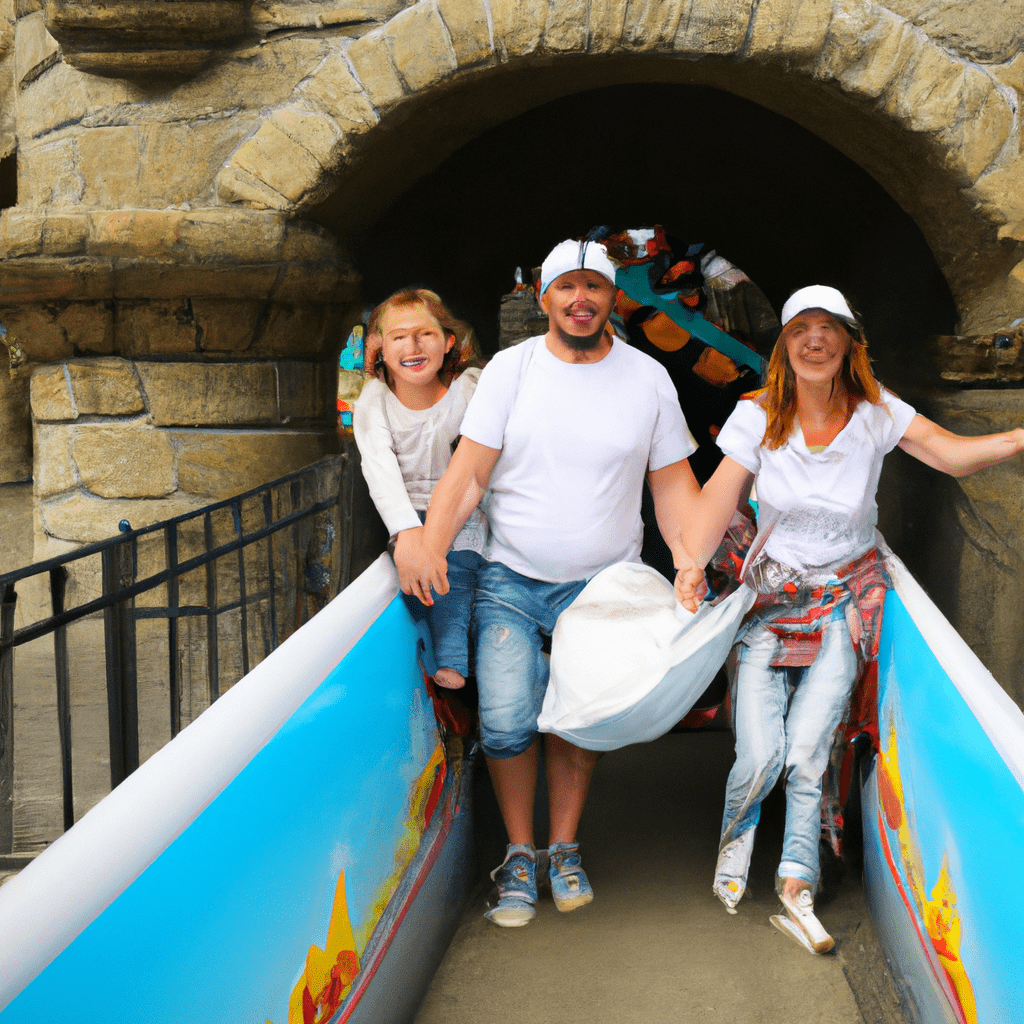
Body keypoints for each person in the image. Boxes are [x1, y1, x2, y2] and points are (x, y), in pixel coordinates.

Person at [675, 285, 1024, 954]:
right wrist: (691, 563)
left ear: (848, 342)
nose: (814, 339)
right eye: (800, 328)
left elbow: (949, 455)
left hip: (843, 600)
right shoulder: (757, 416)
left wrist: (1015, 436)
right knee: (760, 752)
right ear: (784, 344)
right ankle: (732, 851)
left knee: (808, 748)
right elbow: (720, 497)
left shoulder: (876, 412)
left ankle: (796, 885)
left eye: (827, 328)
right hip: (770, 604)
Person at [395, 238, 705, 926]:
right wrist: (429, 547)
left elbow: (673, 483)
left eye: (595, 286)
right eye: (568, 287)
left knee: (577, 719)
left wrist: (688, 562)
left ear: (612, 297)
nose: (581, 299)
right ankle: (519, 852)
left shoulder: (648, 377)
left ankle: (563, 847)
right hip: (512, 578)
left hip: (604, 585)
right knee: (506, 722)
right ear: (544, 297)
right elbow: (470, 473)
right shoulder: (511, 371)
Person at [353, 288, 484, 690]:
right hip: (407, 518)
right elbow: (380, 468)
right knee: (411, 588)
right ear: (379, 348)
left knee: (455, 579)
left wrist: (436, 541)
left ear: (448, 342)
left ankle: (453, 661)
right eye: (398, 337)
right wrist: (408, 533)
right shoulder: (375, 399)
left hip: (465, 514)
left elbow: (481, 467)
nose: (412, 346)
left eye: (424, 334)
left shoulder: (469, 390)